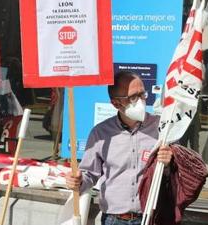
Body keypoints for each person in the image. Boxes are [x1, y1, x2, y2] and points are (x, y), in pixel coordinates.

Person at [65, 71, 173, 225]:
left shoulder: (161, 128)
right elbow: (89, 175)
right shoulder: (101, 133)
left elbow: (178, 173)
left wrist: (170, 162)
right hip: (114, 219)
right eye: (133, 97)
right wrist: (77, 181)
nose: (141, 101)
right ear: (116, 103)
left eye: (143, 94)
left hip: (151, 218)